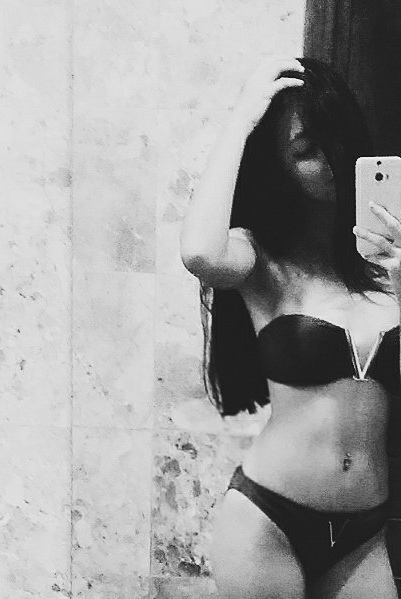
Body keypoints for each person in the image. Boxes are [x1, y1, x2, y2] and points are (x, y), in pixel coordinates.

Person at [180, 55, 401, 598]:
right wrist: (241, 120)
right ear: (279, 168)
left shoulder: (389, 257)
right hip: (269, 521)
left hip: (364, 529)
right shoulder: (263, 260)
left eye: (334, 140)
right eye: (305, 151)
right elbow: (199, 253)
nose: (328, 160)